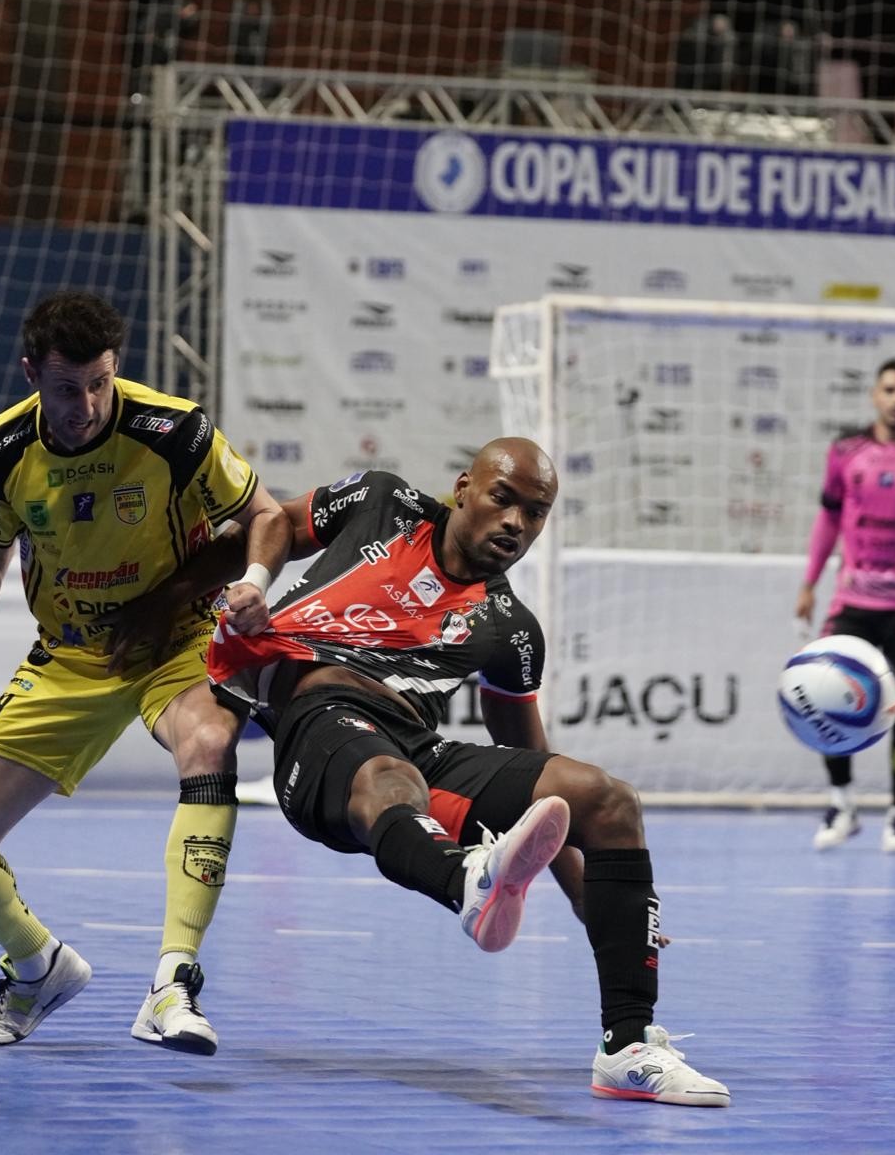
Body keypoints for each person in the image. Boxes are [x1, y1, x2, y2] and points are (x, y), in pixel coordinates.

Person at [197, 439, 730, 1106]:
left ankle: (627, 1046)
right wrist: (191, 593)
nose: (515, 523)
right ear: (463, 489)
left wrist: (582, 894)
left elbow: (539, 780)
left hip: (415, 747)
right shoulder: (382, 503)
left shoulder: (508, 629)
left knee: (607, 799)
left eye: (534, 514)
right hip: (320, 730)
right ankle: (466, 879)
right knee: (391, 779)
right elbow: (271, 523)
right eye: (502, 499)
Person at [0, 290, 291, 1054]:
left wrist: (252, 581)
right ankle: (37, 965)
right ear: (30, 376)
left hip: (174, 641)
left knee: (210, 747)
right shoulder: (3, 448)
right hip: (73, 656)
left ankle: (173, 983)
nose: (86, 404)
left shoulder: (172, 430)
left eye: (99, 382)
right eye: (66, 388)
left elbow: (268, 516)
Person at [795, 358, 895, 852]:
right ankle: (842, 803)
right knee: (822, 698)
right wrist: (810, 583)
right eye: (891, 389)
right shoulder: (847, 452)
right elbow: (828, 521)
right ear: (875, 395)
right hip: (853, 604)